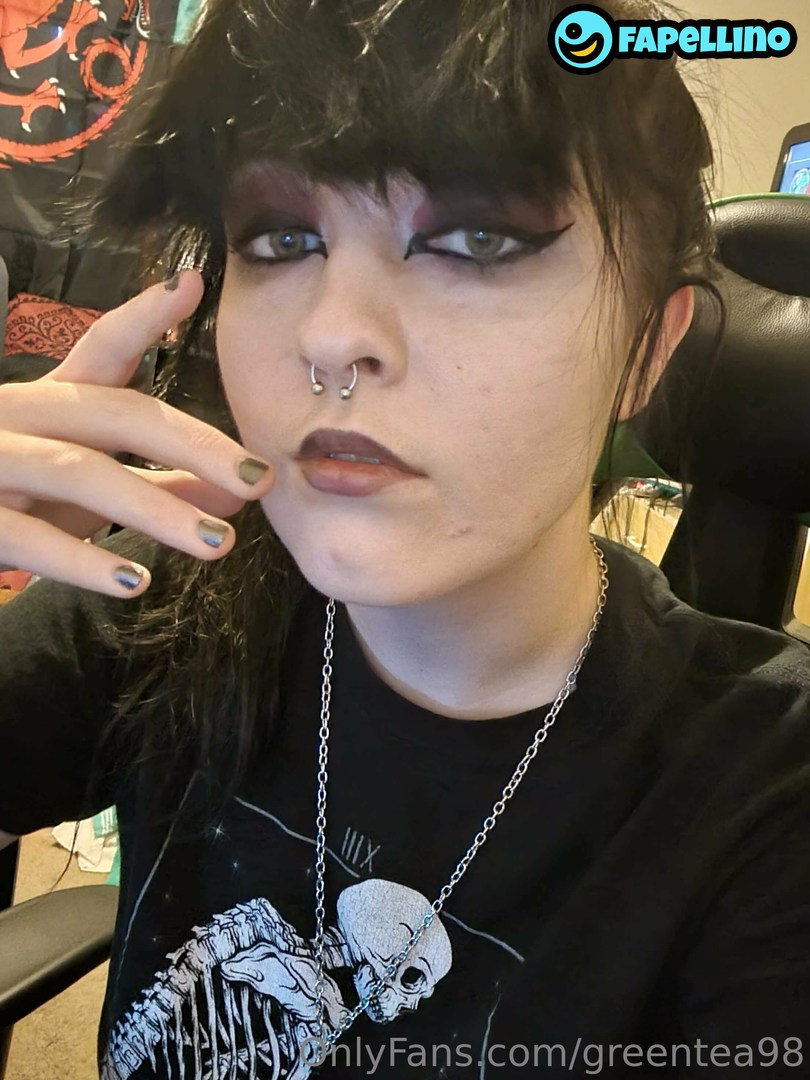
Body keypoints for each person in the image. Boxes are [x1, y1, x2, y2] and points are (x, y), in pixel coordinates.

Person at [1, 1, 810, 1076]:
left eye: (478, 239)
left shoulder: (769, 801)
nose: (333, 333)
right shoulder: (172, 598)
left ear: (646, 352)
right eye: (282, 239)